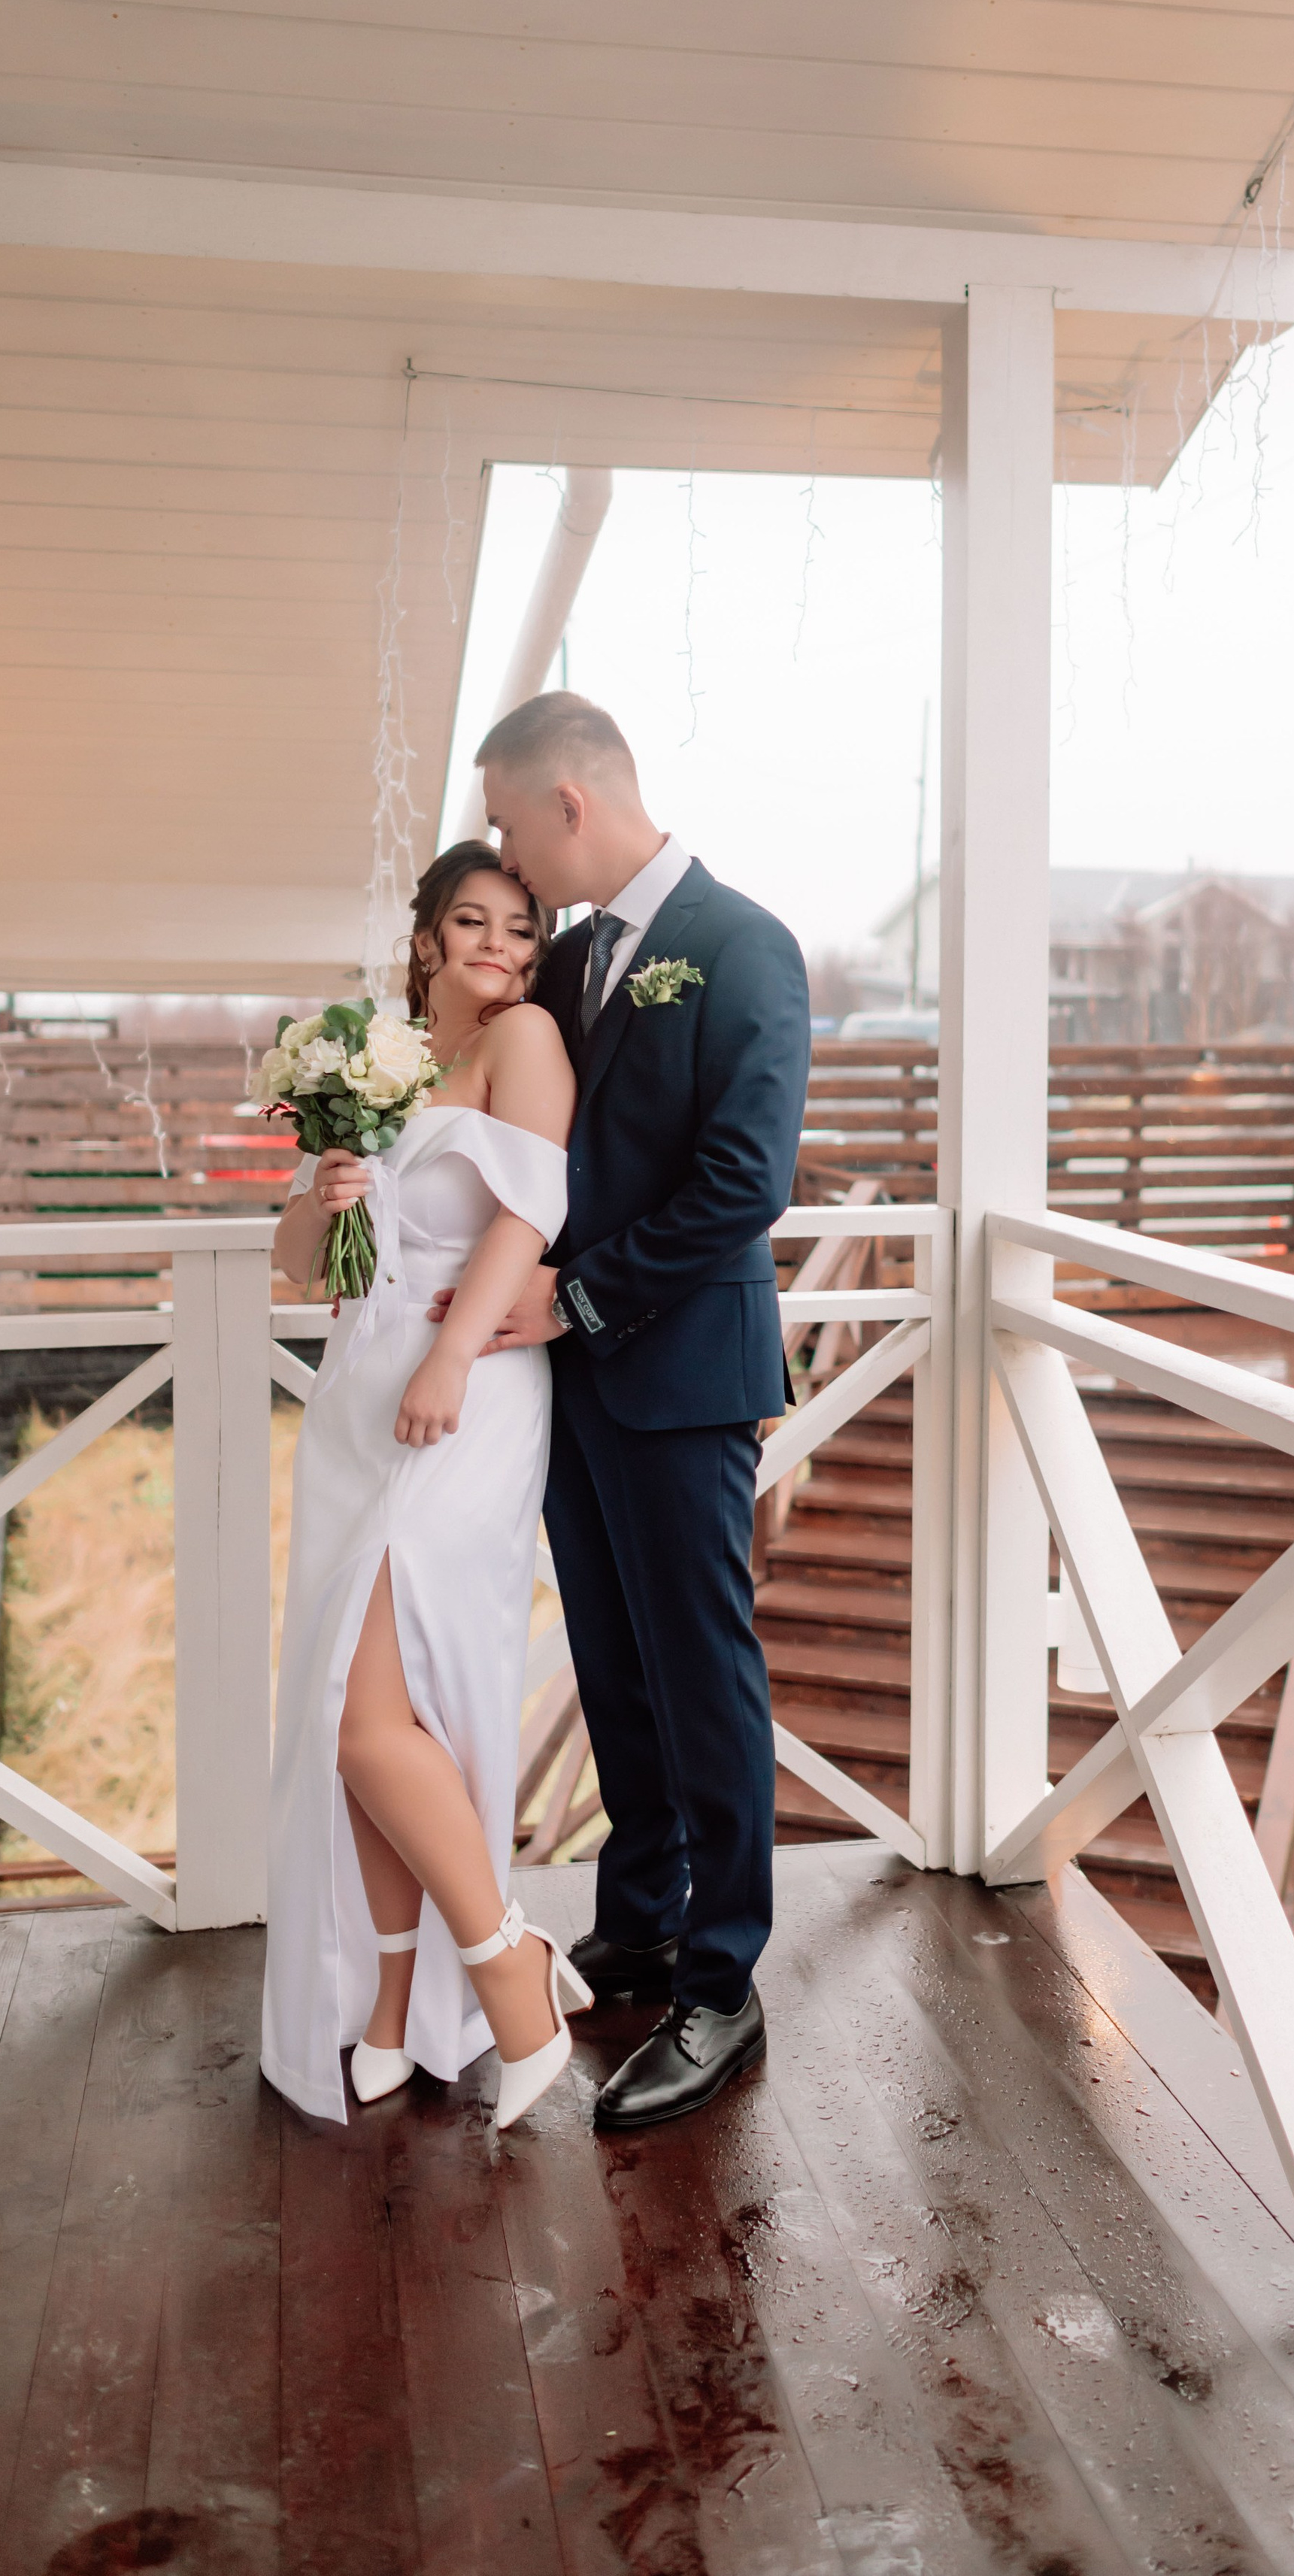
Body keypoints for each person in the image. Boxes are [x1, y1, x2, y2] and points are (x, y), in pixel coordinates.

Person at [461, 690, 811, 2130]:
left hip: (673, 1373)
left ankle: (723, 1984)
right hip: (576, 1382)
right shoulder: (580, 959)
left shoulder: (744, 948)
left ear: (568, 806)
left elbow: (746, 1184)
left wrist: (582, 1297)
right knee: (613, 1664)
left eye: (505, 826)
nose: (504, 858)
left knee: (702, 1670)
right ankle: (644, 1920)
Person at [260, 841, 593, 2130]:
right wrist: (330, 1189)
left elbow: (528, 1215)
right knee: (368, 1728)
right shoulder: (379, 1070)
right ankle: (393, 2009)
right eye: (474, 924)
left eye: (521, 929)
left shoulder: (527, 1045)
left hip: (468, 1386)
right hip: (360, 1390)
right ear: (426, 939)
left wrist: (455, 1355)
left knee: (374, 1721)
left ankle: (513, 1973)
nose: (499, 949)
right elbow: (307, 1261)